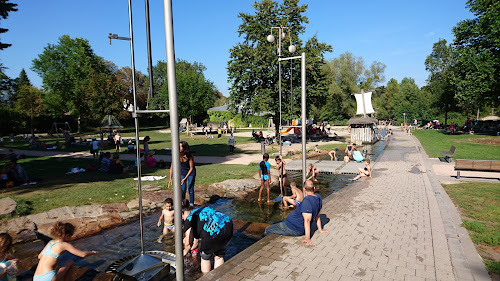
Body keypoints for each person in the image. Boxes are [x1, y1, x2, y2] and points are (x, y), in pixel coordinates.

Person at [265, 180, 328, 245]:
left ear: (304, 189)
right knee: (275, 223)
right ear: (314, 188)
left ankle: (266, 245)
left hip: (293, 228)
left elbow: (307, 220)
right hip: (291, 223)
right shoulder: (318, 197)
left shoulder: (307, 201)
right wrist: (320, 229)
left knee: (268, 229)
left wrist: (307, 238)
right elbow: (317, 215)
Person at [34, 222, 99, 281]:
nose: (70, 239)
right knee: (70, 262)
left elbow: (39, 256)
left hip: (36, 278)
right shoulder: (64, 244)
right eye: (70, 236)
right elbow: (82, 254)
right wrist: (94, 252)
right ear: (67, 236)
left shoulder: (50, 242)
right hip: (47, 278)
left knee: (57, 267)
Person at [181, 199, 233, 274]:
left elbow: (188, 243)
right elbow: (195, 240)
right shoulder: (201, 209)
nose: (183, 219)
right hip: (227, 225)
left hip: (211, 231)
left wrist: (184, 252)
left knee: (205, 257)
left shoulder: (189, 219)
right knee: (219, 256)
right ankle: (218, 277)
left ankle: (206, 277)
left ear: (183, 214)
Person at [168, 141, 196, 206]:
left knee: (190, 187)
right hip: (183, 172)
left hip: (190, 172)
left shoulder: (189, 155)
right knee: (183, 189)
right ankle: (182, 203)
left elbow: (191, 168)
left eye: (180, 146)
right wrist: (170, 178)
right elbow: (172, 167)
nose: (178, 148)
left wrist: (185, 178)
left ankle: (191, 204)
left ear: (184, 147)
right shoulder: (176, 155)